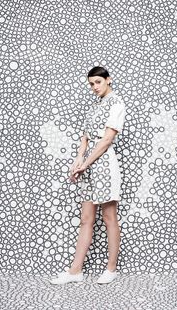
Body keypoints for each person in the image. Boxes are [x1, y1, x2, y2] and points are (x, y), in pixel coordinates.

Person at [50, 66, 126, 285]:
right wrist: (78, 159)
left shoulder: (117, 103)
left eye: (97, 82)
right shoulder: (94, 106)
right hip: (89, 165)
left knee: (109, 217)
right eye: (91, 84)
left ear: (108, 80)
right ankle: (76, 271)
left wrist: (86, 164)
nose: (94, 87)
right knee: (86, 219)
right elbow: (86, 137)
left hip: (104, 165)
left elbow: (106, 140)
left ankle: (111, 268)